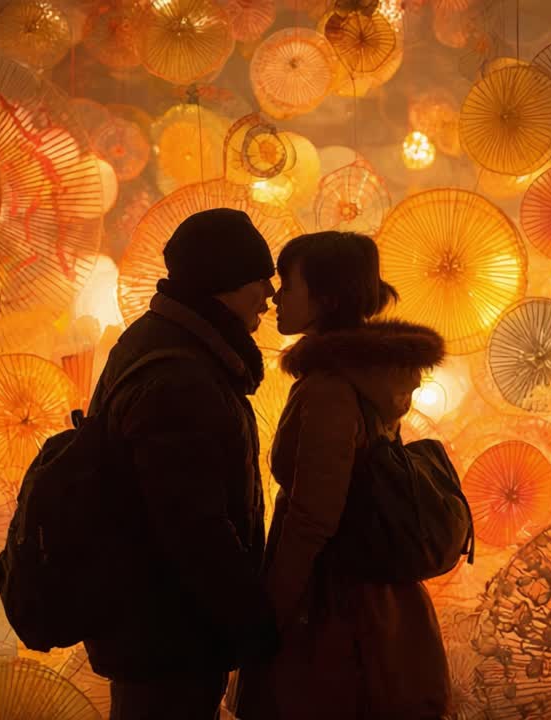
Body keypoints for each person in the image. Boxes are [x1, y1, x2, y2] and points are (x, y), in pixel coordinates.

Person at [234, 231, 452, 719]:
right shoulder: (368, 378)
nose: (276, 298)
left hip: (332, 610)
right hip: (375, 601)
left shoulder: (330, 389)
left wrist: (270, 612)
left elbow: (313, 516)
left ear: (327, 299)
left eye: (289, 285)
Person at [83, 208, 280, 719]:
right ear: (224, 280)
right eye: (259, 279)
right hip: (168, 632)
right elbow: (191, 524)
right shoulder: (181, 377)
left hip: (162, 626)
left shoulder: (168, 346)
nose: (270, 294)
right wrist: (251, 618)